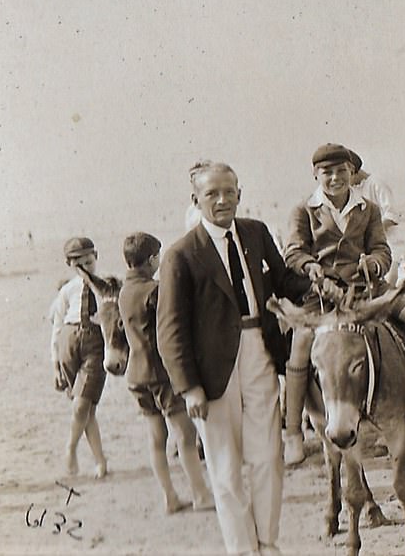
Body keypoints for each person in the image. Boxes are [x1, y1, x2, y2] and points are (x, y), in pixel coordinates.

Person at [157, 161, 310, 555]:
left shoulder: (256, 233)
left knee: (268, 458)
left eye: (230, 192)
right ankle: (242, 550)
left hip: (259, 351)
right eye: (212, 194)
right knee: (225, 470)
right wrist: (189, 388)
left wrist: (322, 280)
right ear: (196, 200)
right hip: (212, 373)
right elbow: (170, 331)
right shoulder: (180, 255)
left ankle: (267, 542)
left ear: (240, 193)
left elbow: (284, 281)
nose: (223, 200)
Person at [286, 144, 405, 445]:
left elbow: (381, 250)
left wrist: (374, 263)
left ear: (352, 172)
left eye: (341, 171)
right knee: (300, 345)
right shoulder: (303, 210)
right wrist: (311, 267)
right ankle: (295, 429)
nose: (335, 178)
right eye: (327, 173)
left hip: (367, 290)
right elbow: (293, 252)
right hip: (322, 297)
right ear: (316, 175)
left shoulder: (369, 209)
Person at [118, 232, 214, 514]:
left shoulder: (124, 292)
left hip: (136, 375)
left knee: (156, 438)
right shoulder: (154, 291)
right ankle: (200, 494)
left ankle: (169, 497)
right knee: (185, 435)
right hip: (161, 374)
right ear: (152, 260)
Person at [49, 237, 109, 478]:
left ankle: (71, 448)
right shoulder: (67, 290)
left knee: (81, 404)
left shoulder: (105, 287)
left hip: (95, 346)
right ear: (70, 265)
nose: (85, 268)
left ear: (96, 257)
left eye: (89, 261)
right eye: (79, 264)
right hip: (68, 343)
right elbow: (55, 326)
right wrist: (55, 363)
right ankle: (100, 459)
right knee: (86, 411)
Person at [348, 149, 399, 229]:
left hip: (386, 238)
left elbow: (392, 216)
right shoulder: (351, 190)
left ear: (353, 171)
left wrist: (373, 233)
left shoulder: (377, 184)